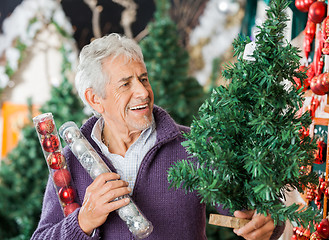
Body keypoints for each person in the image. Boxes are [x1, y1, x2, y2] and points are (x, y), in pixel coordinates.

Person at [31, 33, 284, 240]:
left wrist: (266, 221)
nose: (143, 92)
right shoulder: (68, 163)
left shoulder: (194, 147)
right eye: (125, 84)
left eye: (143, 79)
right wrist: (83, 221)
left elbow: (256, 211)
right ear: (95, 99)